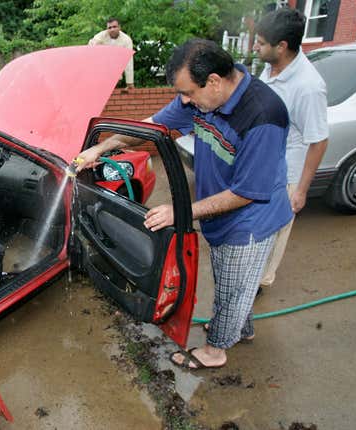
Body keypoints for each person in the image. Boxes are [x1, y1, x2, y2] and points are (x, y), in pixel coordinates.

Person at [76, 39, 292, 370]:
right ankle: (239, 328)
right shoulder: (200, 100)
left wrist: (181, 211)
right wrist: (103, 148)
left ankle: (216, 350)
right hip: (220, 209)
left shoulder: (263, 115)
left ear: (215, 81)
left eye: (188, 93)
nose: (183, 102)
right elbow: (152, 128)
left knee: (234, 282)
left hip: (251, 217)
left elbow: (247, 192)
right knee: (232, 280)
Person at [254, 8, 329, 290]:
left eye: (261, 43)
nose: (255, 47)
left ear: (282, 46)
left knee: (275, 233)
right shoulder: (271, 67)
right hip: (262, 164)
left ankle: (260, 283)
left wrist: (300, 190)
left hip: (286, 175)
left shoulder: (308, 87)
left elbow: (319, 140)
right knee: (255, 229)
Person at [89, 17, 135, 89]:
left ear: (119, 27)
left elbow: (128, 61)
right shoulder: (100, 36)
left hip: (116, 71)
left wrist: (129, 82)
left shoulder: (127, 40)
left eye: (114, 27)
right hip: (100, 69)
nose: (112, 29)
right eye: (109, 28)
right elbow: (90, 49)